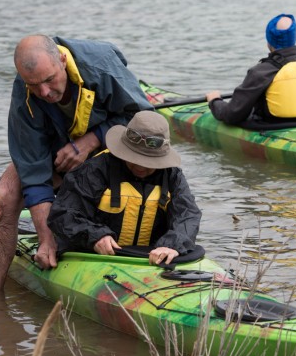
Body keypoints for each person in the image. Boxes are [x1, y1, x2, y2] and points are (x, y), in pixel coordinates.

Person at [0, 35, 153, 291]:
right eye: (34, 85)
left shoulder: (101, 66)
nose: (44, 92)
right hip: (58, 153)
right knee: (3, 197)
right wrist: (46, 238)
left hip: (110, 146)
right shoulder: (24, 90)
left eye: (50, 79)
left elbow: (144, 121)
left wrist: (91, 141)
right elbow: (33, 171)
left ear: (62, 60)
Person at [48, 111, 201, 267]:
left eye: (148, 163)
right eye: (134, 159)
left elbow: (187, 214)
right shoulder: (94, 169)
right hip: (95, 254)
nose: (140, 167)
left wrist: (172, 245)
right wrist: (95, 236)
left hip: (152, 256)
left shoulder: (172, 175)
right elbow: (63, 214)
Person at [205, 14, 296, 126]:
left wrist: (215, 101)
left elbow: (232, 115)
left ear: (269, 42)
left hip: (271, 128)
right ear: (294, 38)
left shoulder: (260, 73)